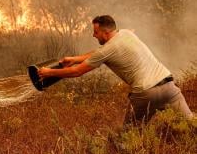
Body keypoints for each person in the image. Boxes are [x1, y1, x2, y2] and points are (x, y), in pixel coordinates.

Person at [38, 15, 193, 128]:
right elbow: (103, 52)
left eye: (96, 32)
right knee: (191, 125)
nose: (93, 35)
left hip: (145, 93)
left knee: (128, 137)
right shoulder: (126, 33)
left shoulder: (107, 50)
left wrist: (47, 72)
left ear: (105, 33)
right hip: (169, 87)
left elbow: (77, 72)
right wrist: (75, 58)